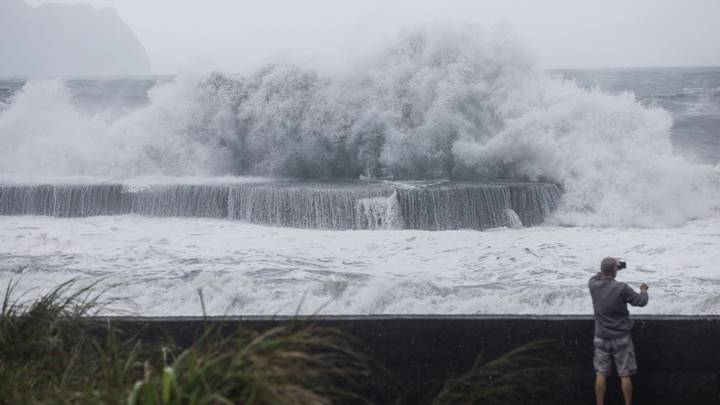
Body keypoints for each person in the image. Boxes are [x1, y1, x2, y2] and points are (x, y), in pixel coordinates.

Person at [589, 257, 648, 405]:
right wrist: (643, 290)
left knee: (601, 373)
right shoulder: (621, 288)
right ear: (615, 271)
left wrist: (611, 266)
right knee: (625, 374)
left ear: (602, 270)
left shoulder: (593, 284)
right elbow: (641, 302)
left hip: (601, 336)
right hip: (621, 337)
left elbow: (598, 274)